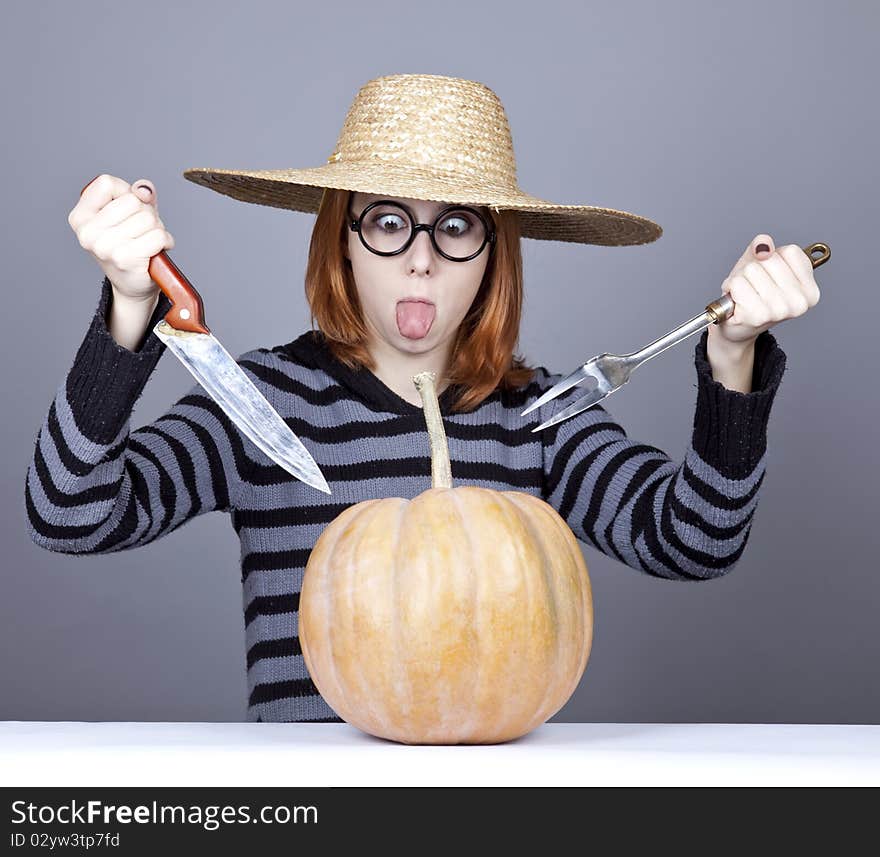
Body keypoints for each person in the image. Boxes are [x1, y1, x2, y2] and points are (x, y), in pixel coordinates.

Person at [24, 73, 820, 723]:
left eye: (457, 228)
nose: (420, 261)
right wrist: (133, 309)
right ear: (342, 237)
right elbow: (69, 516)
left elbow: (695, 540)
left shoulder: (538, 417)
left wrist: (733, 351)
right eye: (389, 222)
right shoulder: (261, 404)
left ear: (493, 254)